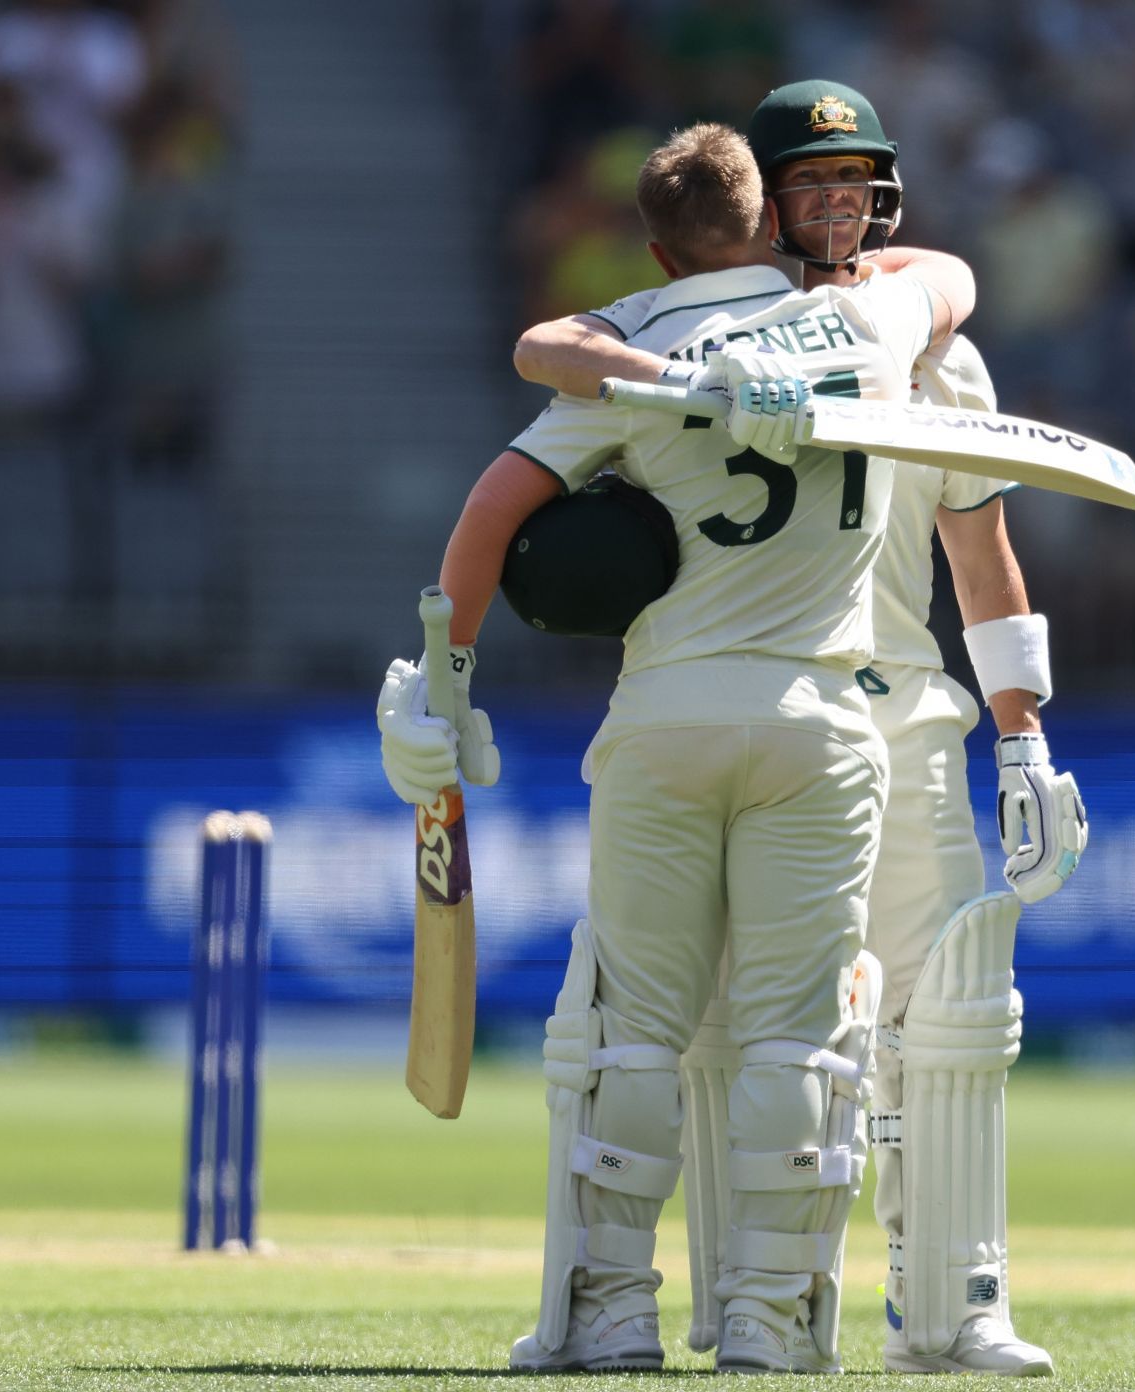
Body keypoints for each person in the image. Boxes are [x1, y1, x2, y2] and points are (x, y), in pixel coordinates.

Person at [377, 121, 976, 1373]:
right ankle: (767, 1317)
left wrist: (446, 677)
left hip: (664, 716)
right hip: (825, 721)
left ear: (651, 243)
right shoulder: (867, 327)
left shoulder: (637, 351)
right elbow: (950, 283)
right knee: (797, 1035)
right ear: (769, 226)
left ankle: (609, 1314)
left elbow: (493, 508)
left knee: (636, 1029)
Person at [512, 80, 1085, 1375]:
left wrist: (1023, 735)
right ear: (765, 204)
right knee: (727, 1026)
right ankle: (740, 1308)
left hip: (901, 713)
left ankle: (954, 1304)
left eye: (852, 183)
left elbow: (980, 551)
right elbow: (554, 364)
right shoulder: (702, 333)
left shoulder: (923, 334)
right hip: (779, 708)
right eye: (808, 186)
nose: (833, 206)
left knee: (944, 1023)